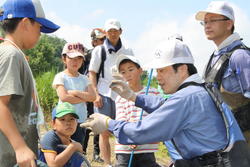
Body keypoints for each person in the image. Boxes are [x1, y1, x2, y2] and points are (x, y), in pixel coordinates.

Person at [82, 38, 250, 167]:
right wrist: (133, 97)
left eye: (162, 70)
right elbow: (164, 104)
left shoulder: (187, 98)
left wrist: (107, 123)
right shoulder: (199, 89)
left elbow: (144, 131)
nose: (157, 76)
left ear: (183, 69)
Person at [0, 0, 59, 166]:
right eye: (39, 27)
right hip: (10, 158)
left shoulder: (17, 55)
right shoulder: (10, 55)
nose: (41, 33)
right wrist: (19, 147)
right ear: (25, 23)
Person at [195, 1, 250, 144]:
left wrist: (234, 125)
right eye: (205, 22)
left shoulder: (240, 56)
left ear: (229, 24)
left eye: (213, 20)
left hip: (244, 143)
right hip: (223, 142)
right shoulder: (212, 58)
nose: (207, 25)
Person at [88, 18, 133, 166]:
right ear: (105, 32)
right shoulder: (99, 50)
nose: (113, 34)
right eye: (110, 31)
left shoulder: (128, 50)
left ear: (121, 31)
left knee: (123, 130)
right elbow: (92, 73)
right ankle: (107, 163)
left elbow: (133, 73)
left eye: (115, 30)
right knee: (104, 132)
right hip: (104, 94)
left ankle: (122, 162)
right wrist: (95, 94)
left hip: (123, 94)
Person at [114, 54, 160, 167]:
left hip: (147, 147)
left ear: (140, 70)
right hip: (125, 148)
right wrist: (131, 137)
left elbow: (157, 118)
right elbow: (121, 121)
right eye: (123, 72)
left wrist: (139, 136)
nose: (127, 74)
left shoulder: (153, 93)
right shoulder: (120, 97)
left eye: (131, 69)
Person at [52, 42, 96, 152]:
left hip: (80, 120)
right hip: (64, 120)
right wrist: (83, 98)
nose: (75, 61)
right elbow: (64, 97)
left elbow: (92, 97)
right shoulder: (60, 76)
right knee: (63, 150)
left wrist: (75, 92)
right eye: (72, 58)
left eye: (79, 58)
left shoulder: (85, 78)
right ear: (64, 59)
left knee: (77, 150)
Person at [80, 28, 105, 163]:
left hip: (102, 94)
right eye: (101, 40)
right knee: (87, 122)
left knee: (99, 124)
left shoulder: (107, 55)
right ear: (94, 42)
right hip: (89, 93)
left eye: (105, 40)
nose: (103, 42)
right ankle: (82, 151)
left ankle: (96, 153)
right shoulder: (87, 55)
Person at [39, 102, 83, 166]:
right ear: (53, 124)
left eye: (72, 119)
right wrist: (73, 147)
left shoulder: (73, 142)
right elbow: (53, 165)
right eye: (62, 119)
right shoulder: (50, 137)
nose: (68, 123)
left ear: (77, 123)